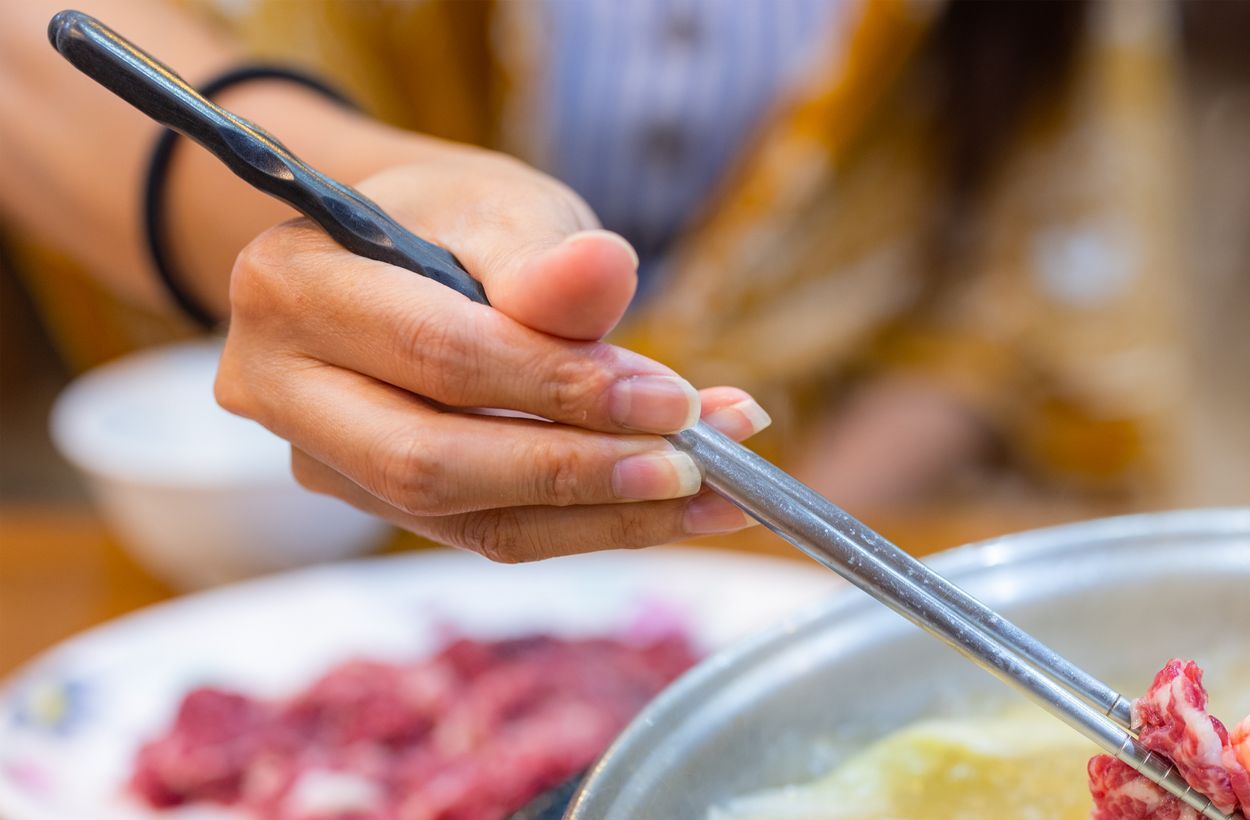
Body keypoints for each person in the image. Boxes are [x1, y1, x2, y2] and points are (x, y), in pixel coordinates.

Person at [0, 0, 1184, 559]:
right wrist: (367, 194)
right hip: (334, 526)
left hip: (833, 509)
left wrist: (767, 537)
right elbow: (33, 50)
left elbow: (1028, 277)